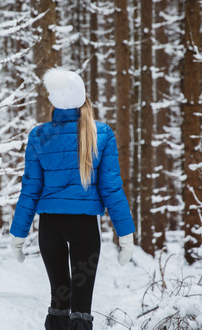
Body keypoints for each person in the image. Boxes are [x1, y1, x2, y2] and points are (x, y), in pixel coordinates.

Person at [9, 68, 136, 330]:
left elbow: (30, 189)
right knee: (81, 310)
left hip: (50, 228)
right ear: (82, 98)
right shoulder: (102, 133)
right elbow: (111, 188)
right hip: (85, 228)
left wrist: (18, 235)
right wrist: (126, 235)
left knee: (59, 301)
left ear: (53, 100)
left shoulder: (38, 135)